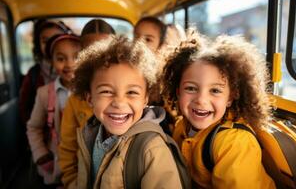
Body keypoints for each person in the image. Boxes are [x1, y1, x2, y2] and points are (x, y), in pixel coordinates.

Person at [162, 30, 276, 188]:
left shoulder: (234, 142)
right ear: (178, 91)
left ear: (230, 98)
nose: (201, 100)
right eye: (191, 88)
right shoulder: (182, 125)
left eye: (215, 91)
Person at [73, 36, 183, 188]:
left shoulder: (151, 148)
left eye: (131, 92)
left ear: (146, 99)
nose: (119, 103)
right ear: (90, 98)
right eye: (106, 91)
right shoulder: (89, 135)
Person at [59, 19, 115, 188]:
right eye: (92, 51)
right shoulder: (75, 100)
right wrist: (72, 182)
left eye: (107, 50)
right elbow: (67, 148)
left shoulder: (126, 97)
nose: (100, 58)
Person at [26, 33, 81, 186]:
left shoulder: (91, 91)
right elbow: (33, 127)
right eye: (61, 59)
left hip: (85, 161)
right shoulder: (44, 93)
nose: (70, 64)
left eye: (76, 57)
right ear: (51, 61)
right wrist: (41, 155)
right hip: (57, 164)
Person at [19, 19, 71, 125]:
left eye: (56, 38)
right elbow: (25, 109)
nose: (51, 43)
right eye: (45, 40)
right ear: (38, 44)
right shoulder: (33, 74)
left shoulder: (77, 70)